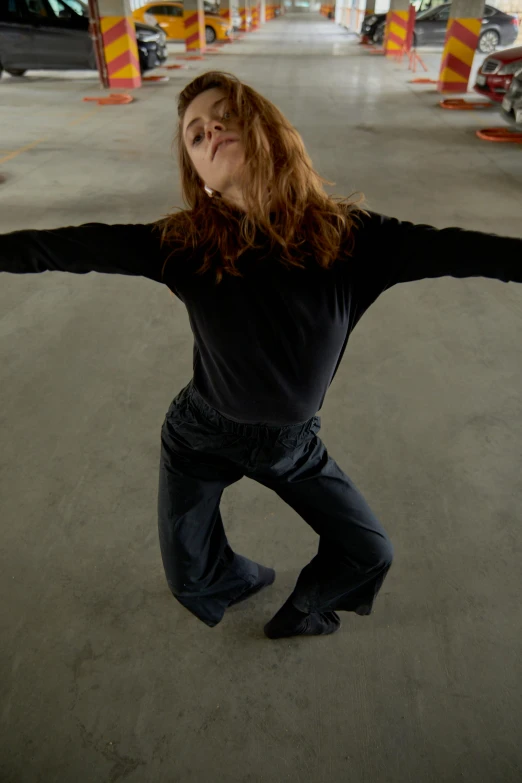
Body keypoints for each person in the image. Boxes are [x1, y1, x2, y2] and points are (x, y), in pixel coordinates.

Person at [1, 71, 520, 639]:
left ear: (271, 132)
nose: (211, 130)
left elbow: (473, 251)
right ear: (199, 178)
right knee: (188, 580)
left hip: (291, 446)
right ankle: (239, 576)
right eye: (196, 135)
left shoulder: (357, 241)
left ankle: (303, 612)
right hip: (199, 436)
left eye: (224, 115)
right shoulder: (182, 245)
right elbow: (57, 247)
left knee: (369, 552)